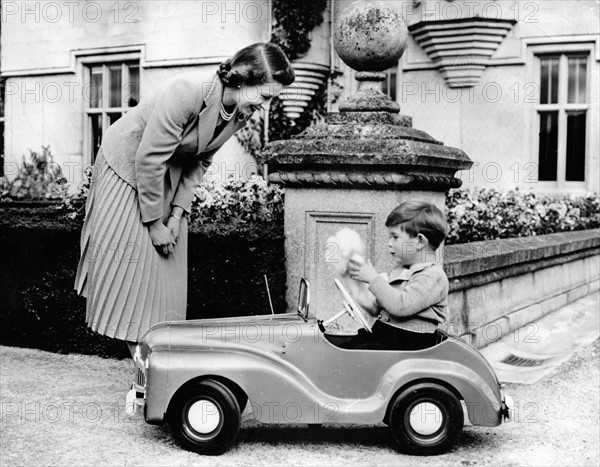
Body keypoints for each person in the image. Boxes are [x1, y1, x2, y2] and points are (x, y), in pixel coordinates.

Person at [74, 42, 295, 357]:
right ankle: (147, 374)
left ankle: (160, 370)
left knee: (168, 283)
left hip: (168, 173)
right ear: (243, 79)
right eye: (264, 95)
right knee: (135, 276)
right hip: (125, 167)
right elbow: (148, 159)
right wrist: (153, 224)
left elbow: (199, 163)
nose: (266, 105)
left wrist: (176, 216)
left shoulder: (239, 113)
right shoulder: (187, 91)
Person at [346, 200, 449, 351]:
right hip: (388, 337)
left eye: (395, 237)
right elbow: (377, 308)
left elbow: (401, 306)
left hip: (409, 344)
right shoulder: (402, 270)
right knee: (345, 346)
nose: (389, 243)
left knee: (354, 354)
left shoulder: (433, 276)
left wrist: (373, 279)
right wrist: (357, 286)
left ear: (420, 241)